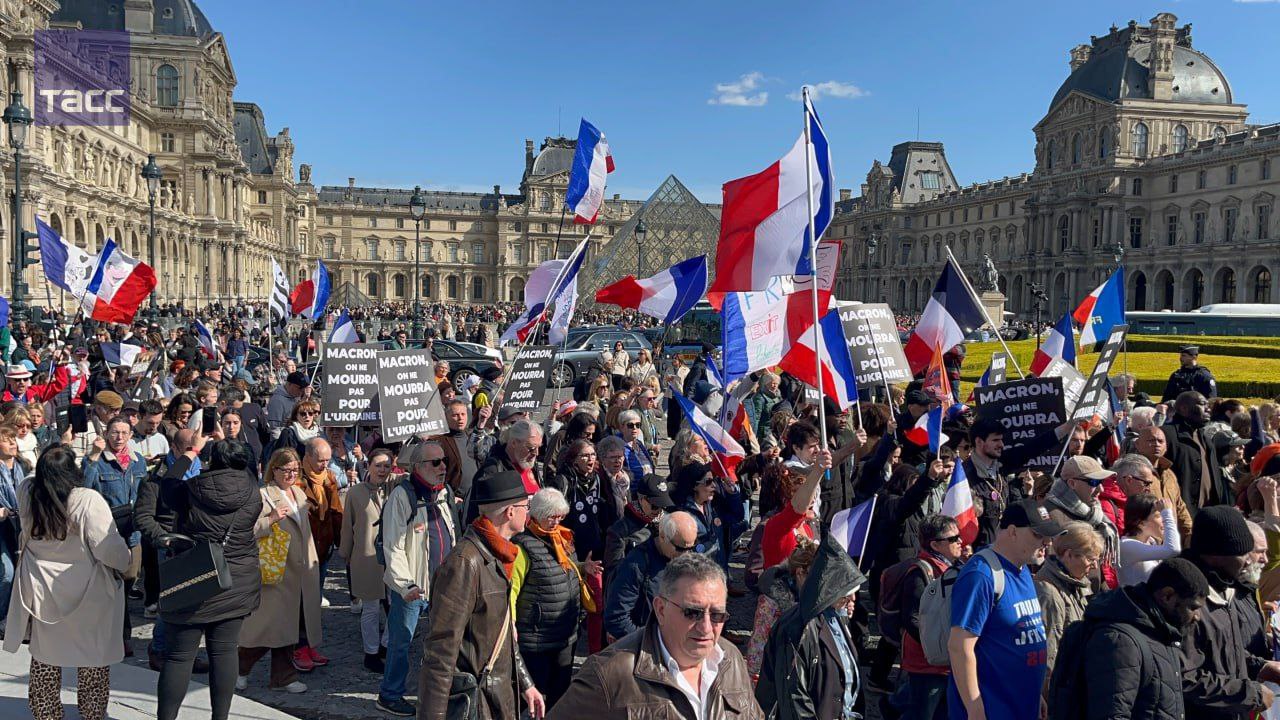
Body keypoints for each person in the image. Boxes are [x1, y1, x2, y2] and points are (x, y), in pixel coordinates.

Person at [550, 551, 762, 720]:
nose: (706, 627)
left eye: (717, 615)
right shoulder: (610, 674)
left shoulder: (730, 659)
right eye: (692, 613)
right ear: (660, 609)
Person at [2, 445, 131, 720]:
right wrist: (126, 562)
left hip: (42, 587)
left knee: (46, 655)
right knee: (93, 657)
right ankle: (92, 711)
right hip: (88, 588)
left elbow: (33, 480)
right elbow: (109, 549)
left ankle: (46, 713)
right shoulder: (87, 500)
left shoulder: (28, 491)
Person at [418, 470, 544, 719]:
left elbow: (503, 633)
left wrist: (526, 683)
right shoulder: (466, 562)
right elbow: (440, 650)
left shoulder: (501, 555)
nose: (528, 512)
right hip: (478, 701)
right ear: (510, 512)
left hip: (498, 697)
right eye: (526, 506)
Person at [157, 437, 263, 720]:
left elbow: (167, 484)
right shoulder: (253, 490)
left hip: (195, 578)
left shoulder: (191, 489)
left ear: (211, 459)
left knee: (179, 657)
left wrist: (190, 452)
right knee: (225, 651)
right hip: (236, 579)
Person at [948, 500, 1064, 720]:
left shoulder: (1022, 569)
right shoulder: (981, 575)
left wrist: (1035, 694)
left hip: (1021, 705)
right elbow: (959, 646)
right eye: (1038, 535)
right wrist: (974, 707)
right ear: (1012, 531)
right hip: (992, 709)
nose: (1047, 542)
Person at [378, 441, 457, 717]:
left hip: (442, 585)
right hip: (413, 587)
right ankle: (389, 694)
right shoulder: (402, 496)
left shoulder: (444, 492)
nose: (443, 466)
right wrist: (405, 584)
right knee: (402, 642)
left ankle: (436, 695)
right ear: (418, 467)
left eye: (443, 460)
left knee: (441, 644)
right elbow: (393, 546)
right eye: (435, 462)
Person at [1180, 505, 1280, 719]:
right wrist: (1249, 694)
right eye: (1243, 553)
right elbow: (1184, 676)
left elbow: (1222, 649)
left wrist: (1262, 666)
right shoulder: (1187, 600)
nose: (1249, 560)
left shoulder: (1225, 587)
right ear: (1216, 555)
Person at [236, 448, 321, 694]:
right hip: (275, 571)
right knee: (266, 627)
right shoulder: (263, 494)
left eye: (295, 470)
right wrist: (271, 518)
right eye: (286, 470)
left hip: (300, 569)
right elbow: (247, 529)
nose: (291, 475)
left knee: (289, 626)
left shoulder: (298, 493)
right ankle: (241, 667)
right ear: (274, 469)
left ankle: (283, 677)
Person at [756, 534, 865, 720]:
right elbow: (794, 697)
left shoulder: (835, 616)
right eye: (847, 594)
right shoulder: (797, 628)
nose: (852, 599)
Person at [511, 488, 600, 708]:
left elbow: (563, 569)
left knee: (560, 696)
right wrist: (510, 623)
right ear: (538, 514)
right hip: (537, 639)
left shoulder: (562, 538)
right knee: (536, 699)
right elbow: (511, 590)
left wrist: (582, 566)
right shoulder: (522, 546)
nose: (556, 521)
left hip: (565, 634)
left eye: (560, 516)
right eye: (552, 516)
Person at [898, 515, 965, 720]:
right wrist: (937, 645)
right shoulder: (921, 572)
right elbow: (911, 618)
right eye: (953, 539)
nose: (961, 541)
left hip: (947, 662)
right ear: (935, 544)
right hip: (927, 664)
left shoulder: (953, 567)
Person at [338, 446, 393, 674]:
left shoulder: (397, 487)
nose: (382, 470)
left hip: (393, 557)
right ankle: (370, 653)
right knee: (370, 608)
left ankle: (386, 645)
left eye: (387, 465)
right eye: (377, 465)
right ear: (368, 465)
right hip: (366, 557)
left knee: (395, 606)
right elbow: (347, 527)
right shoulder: (355, 492)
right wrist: (346, 554)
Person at [605, 511, 700, 640]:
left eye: (691, 547)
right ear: (662, 537)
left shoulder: (686, 558)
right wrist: (652, 641)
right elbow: (617, 618)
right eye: (680, 549)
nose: (686, 554)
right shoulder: (636, 564)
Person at [1034, 521, 1102, 692]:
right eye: (1090, 559)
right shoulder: (1049, 592)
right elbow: (1049, 654)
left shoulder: (1077, 586)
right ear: (1068, 554)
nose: (1094, 566)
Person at [746, 539, 817, 682]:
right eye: (814, 575)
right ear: (800, 572)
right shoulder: (771, 602)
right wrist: (756, 678)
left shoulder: (811, 596)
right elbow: (759, 644)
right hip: (775, 672)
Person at [603, 473, 675, 585]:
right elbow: (614, 573)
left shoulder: (669, 521)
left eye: (663, 505)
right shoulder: (620, 531)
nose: (658, 511)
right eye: (654, 506)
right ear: (641, 499)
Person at [299, 437, 343, 621]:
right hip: (303, 544)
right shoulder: (296, 479)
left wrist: (341, 541)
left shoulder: (330, 477)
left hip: (324, 543)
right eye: (320, 460)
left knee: (317, 588)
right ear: (307, 457)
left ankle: (311, 625)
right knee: (301, 592)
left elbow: (336, 511)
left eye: (327, 460)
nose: (325, 464)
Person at [1132, 426, 1195, 541]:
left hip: (1172, 542)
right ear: (1137, 445)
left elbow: (1180, 507)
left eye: (1160, 441)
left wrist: (1189, 535)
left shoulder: (1169, 474)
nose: (1156, 444)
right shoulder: (1133, 473)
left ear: (1166, 447)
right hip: (1147, 544)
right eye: (1151, 440)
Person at [1119, 493, 1181, 586]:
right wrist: (1167, 513)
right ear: (1141, 523)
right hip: (1134, 600)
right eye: (1158, 516)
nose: (1163, 520)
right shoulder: (1126, 545)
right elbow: (1173, 549)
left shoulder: (1151, 541)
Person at [267, 370, 309, 436]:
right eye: (299, 388)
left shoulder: (295, 396)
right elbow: (274, 428)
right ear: (289, 384)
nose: (302, 391)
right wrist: (280, 445)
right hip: (284, 440)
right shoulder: (277, 400)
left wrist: (305, 400)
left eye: (304, 388)